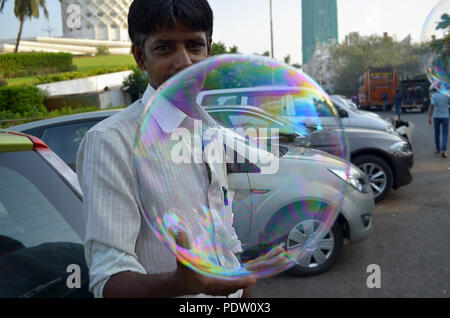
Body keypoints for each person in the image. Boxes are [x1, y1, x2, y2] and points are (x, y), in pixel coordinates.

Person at [76, 0, 259, 298]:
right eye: (164, 48)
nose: (184, 61)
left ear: (208, 51)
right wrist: (179, 283)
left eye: (194, 45)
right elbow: (107, 280)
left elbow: (224, 235)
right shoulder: (111, 142)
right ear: (140, 56)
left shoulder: (211, 132)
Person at [428, 88, 449, 158]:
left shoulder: (434, 96)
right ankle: (444, 150)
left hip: (436, 116)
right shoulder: (447, 95)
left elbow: (432, 107)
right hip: (445, 116)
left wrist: (430, 117)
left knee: (437, 133)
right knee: (445, 134)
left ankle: (438, 149)